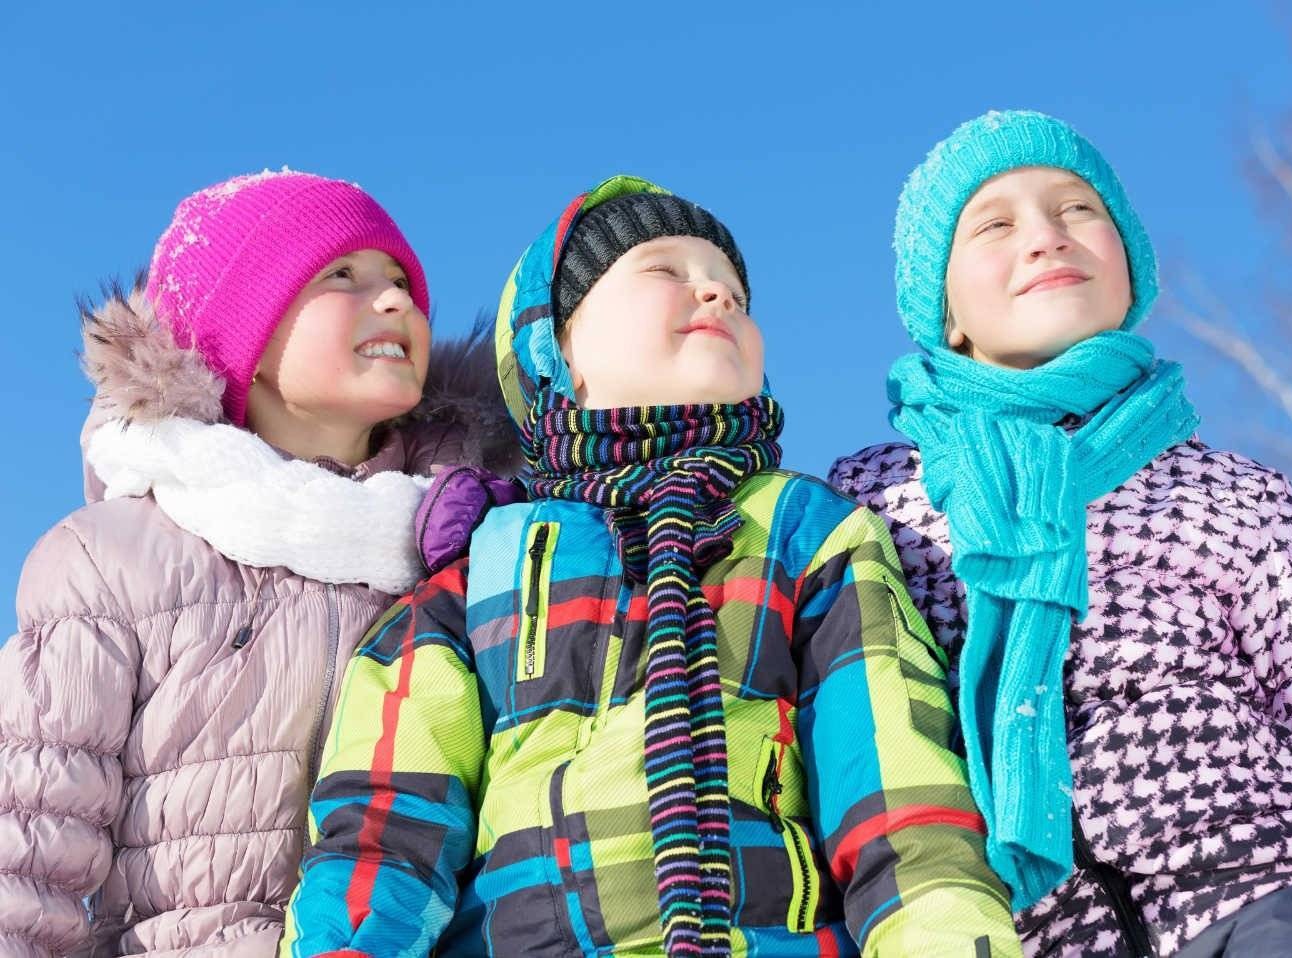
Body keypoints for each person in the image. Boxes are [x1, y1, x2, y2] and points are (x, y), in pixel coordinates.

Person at [281, 174, 1022, 957]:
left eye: (737, 294)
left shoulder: (804, 533)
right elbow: (386, 830)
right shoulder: (482, 571)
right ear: (558, 350)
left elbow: (901, 802)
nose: (717, 295)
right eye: (666, 270)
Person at [828, 109, 1292, 956]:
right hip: (1033, 935)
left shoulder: (1230, 494)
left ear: (1130, 270)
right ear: (946, 311)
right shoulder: (874, 502)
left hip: (1276, 897)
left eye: (1078, 208)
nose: (1045, 236)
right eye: (994, 225)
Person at [0, 169, 516, 955]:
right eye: (342, 274)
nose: (393, 300)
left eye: (401, 281)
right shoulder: (115, 559)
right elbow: (31, 843)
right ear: (244, 326)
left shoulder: (472, 549)